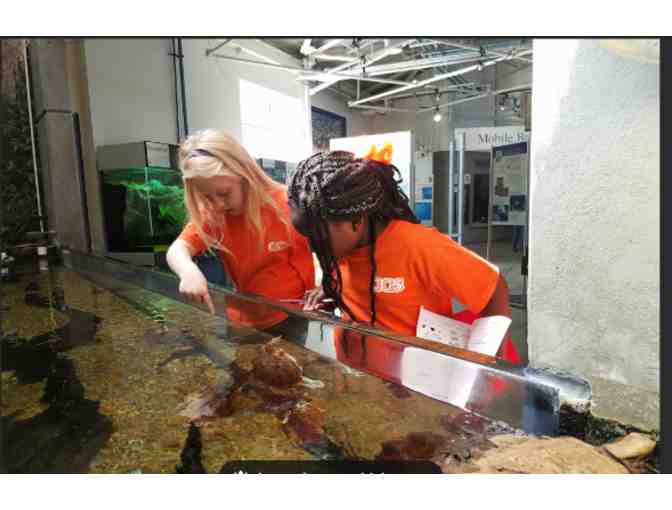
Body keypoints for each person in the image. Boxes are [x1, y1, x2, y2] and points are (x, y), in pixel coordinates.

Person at [287, 143, 519, 362]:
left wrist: (484, 363)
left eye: (316, 237)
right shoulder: (339, 252)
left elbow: (494, 288)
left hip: (418, 383)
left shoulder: (418, 245)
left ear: (355, 220)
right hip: (360, 377)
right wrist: (329, 292)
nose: (310, 246)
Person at [166, 129, 315, 333]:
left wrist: (327, 284)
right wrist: (188, 271)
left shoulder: (287, 203)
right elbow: (177, 249)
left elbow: (334, 248)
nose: (218, 204)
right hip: (243, 317)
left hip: (294, 315)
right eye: (208, 197)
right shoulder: (213, 214)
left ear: (244, 174)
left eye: (224, 193)